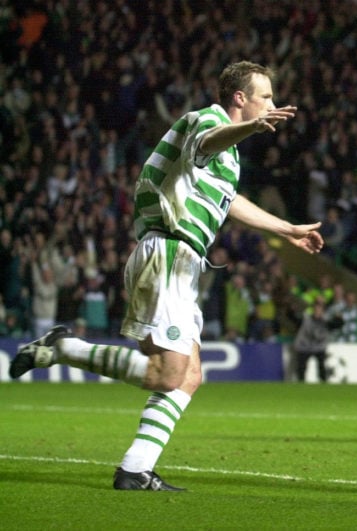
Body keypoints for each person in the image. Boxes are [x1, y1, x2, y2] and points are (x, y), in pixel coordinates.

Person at [9, 61, 324, 491]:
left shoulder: (227, 157)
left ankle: (136, 469)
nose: (270, 103)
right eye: (265, 96)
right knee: (166, 374)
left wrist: (286, 229)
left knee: (188, 376)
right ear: (240, 98)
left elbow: (231, 201)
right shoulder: (208, 121)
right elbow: (204, 143)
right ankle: (65, 348)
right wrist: (252, 128)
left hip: (184, 263)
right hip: (168, 253)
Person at [293, 297, 330, 383]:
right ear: (313, 310)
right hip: (304, 346)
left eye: (319, 310)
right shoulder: (306, 319)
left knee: (321, 365)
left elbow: (336, 324)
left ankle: (323, 382)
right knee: (301, 367)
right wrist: (291, 310)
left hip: (318, 346)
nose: (317, 311)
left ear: (322, 311)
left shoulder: (326, 321)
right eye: (316, 309)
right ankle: (301, 382)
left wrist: (339, 319)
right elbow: (294, 318)